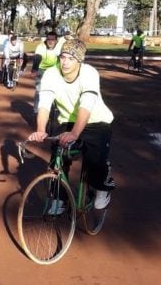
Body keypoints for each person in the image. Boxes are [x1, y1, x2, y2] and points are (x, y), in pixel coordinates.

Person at [28, 39, 115, 210]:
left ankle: (102, 186)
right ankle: (59, 199)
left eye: (70, 58)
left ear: (80, 60)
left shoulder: (89, 73)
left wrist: (75, 134)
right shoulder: (51, 74)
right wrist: (40, 129)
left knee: (94, 160)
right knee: (57, 158)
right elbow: (44, 104)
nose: (65, 62)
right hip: (68, 121)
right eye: (62, 57)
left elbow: (86, 104)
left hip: (97, 120)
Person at [30, 31, 62, 113]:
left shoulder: (59, 46)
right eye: (48, 39)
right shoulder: (41, 46)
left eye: (53, 40)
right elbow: (37, 58)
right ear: (46, 40)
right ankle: (36, 111)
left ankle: (57, 108)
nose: (50, 42)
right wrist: (34, 70)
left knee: (59, 89)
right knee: (39, 91)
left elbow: (61, 59)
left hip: (54, 70)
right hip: (41, 69)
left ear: (56, 41)